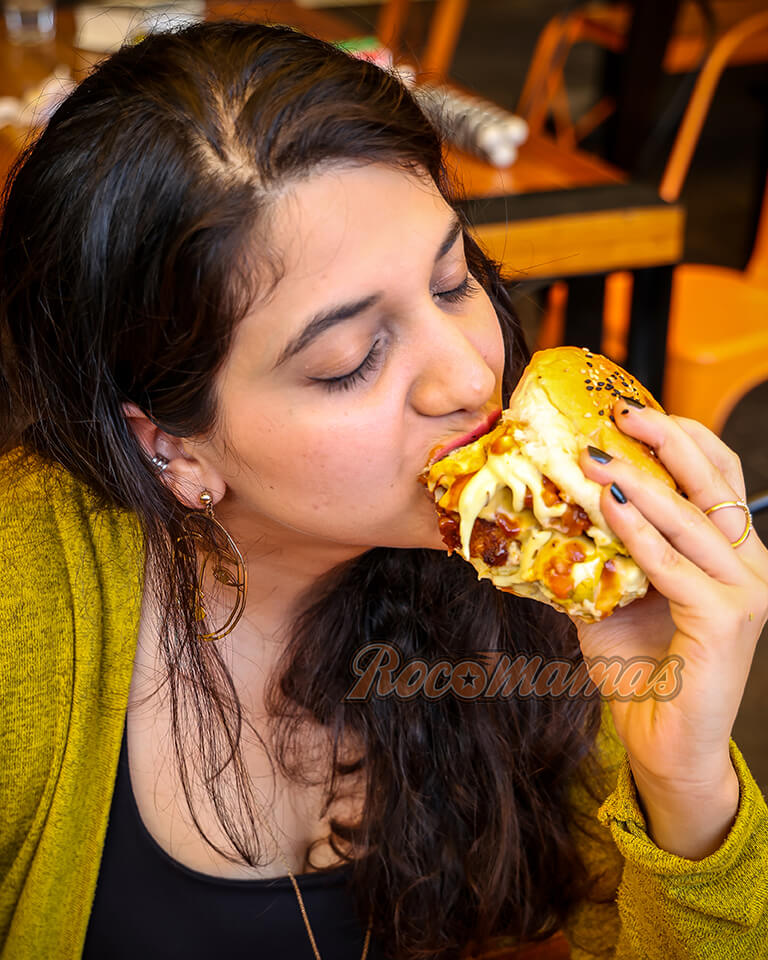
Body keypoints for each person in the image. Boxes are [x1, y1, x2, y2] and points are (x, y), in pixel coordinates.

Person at [0, 19, 766, 960]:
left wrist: (683, 790)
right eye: (352, 359)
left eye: (452, 282)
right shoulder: (25, 607)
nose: (472, 379)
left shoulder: (543, 563)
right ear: (172, 448)